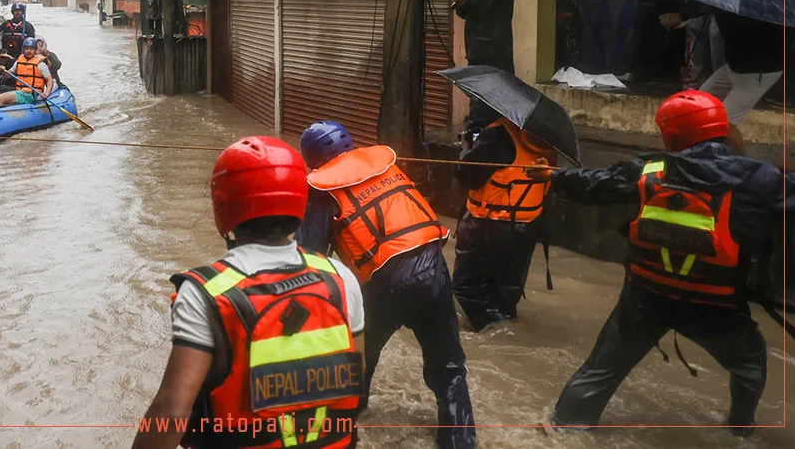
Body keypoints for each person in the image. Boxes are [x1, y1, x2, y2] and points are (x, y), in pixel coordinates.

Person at [549, 91, 790, 437]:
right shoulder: (759, 178)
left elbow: (594, 184)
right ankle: (740, 430)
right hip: (716, 307)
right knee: (750, 365)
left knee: (599, 372)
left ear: (671, 135)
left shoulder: (650, 168)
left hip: (646, 297)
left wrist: (554, 177)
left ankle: (562, 432)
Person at [132, 136, 364, 449]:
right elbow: (357, 373)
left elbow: (172, 411)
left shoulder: (206, 295)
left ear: (222, 206)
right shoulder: (340, 278)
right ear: (300, 202)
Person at [296, 121, 476, 449]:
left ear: (312, 160)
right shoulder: (385, 165)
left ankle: (342, 426)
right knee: (449, 366)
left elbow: (309, 254)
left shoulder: (323, 190)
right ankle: (460, 441)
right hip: (434, 265)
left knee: (356, 355)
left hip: (389, 278)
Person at [452, 110, 558, 332]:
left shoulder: (498, 135)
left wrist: (465, 148)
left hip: (487, 225)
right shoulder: (547, 139)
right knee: (507, 290)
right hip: (526, 227)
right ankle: (505, 328)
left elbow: (466, 176)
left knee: (467, 288)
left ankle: (488, 331)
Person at [659, 6, 785, 154]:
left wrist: (681, 16)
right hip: (734, 65)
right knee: (698, 107)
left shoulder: (755, 7)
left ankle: (739, 164)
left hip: (758, 70)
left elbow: (706, 6)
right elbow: (705, 5)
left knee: (726, 123)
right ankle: (699, 156)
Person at [452, 0, 522, 132]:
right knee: (479, 95)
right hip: (476, 48)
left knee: (500, 94)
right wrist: (462, 5)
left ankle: (498, 132)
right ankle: (478, 131)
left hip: (496, 48)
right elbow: (469, 12)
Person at [0, 37, 53, 108]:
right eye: (26, 49)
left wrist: (46, 93)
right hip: (21, 92)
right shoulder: (19, 61)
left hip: (32, 94)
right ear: (23, 49)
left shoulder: (40, 64)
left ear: (35, 50)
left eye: (31, 49)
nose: (28, 51)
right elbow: (7, 75)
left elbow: (49, 80)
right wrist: (3, 71)